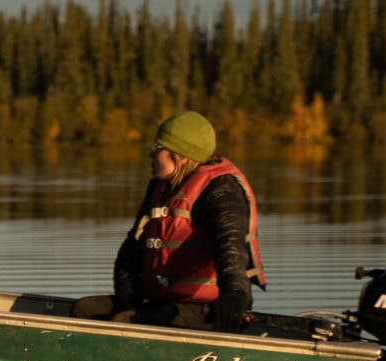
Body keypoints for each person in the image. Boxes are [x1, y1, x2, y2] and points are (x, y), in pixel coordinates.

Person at [72, 111, 263, 332]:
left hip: (207, 309)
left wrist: (234, 295)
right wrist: (128, 303)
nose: (150, 155)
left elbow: (231, 249)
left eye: (157, 149)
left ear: (180, 155)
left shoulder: (220, 190)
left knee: (124, 322)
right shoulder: (159, 188)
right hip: (162, 301)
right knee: (84, 310)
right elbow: (129, 256)